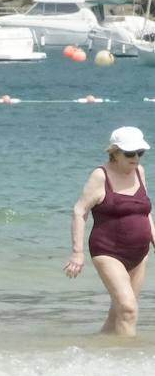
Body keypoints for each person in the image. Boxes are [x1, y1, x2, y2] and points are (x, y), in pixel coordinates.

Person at [65, 127, 155, 337]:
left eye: (140, 153)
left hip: (140, 254)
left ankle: (100, 350)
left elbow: (145, 211)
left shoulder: (139, 173)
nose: (136, 158)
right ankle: (128, 361)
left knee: (118, 313)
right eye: (130, 153)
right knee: (128, 309)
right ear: (114, 152)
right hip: (108, 252)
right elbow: (79, 211)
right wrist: (77, 253)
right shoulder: (100, 175)